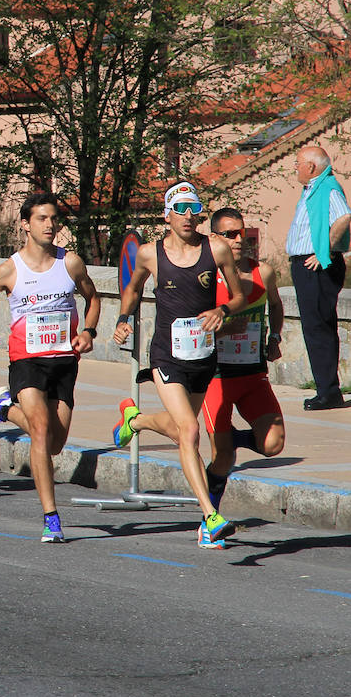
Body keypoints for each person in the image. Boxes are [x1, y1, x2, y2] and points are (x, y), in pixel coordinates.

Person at [114, 208, 287, 548]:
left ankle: (137, 420)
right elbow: (175, 308)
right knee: (193, 434)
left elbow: (276, 306)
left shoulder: (262, 273)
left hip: (251, 372)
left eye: (242, 234)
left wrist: (273, 337)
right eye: (230, 234)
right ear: (217, 237)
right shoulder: (205, 270)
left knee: (272, 444)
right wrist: (124, 318)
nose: (238, 241)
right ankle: (210, 519)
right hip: (213, 371)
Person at [0, 193, 101, 542]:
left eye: (54, 218)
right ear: (25, 224)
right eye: (42, 218)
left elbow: (93, 298)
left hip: (64, 362)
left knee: (54, 444)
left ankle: (4, 409)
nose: (50, 225)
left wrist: (88, 331)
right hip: (26, 361)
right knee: (40, 432)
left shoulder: (70, 263)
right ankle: (51, 518)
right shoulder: (9, 269)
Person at [286, 144, 349, 410]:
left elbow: (344, 217)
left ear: (311, 167)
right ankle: (326, 388)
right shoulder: (315, 189)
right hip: (307, 266)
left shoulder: (327, 188)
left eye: (298, 163)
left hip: (317, 266)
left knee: (318, 328)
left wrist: (323, 253)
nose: (295, 168)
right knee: (316, 327)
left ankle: (328, 392)